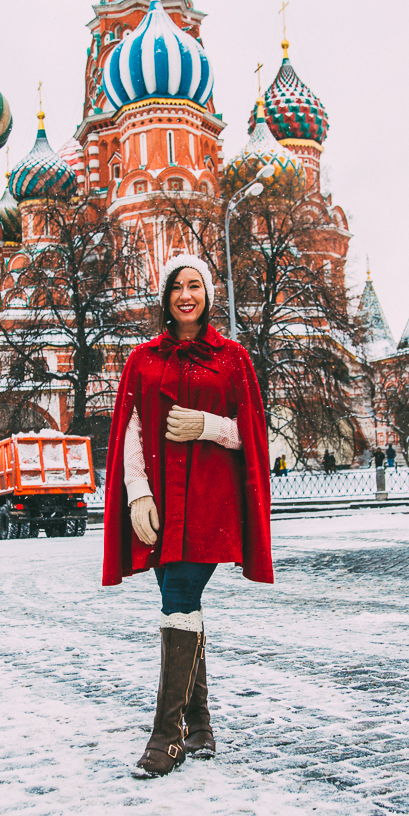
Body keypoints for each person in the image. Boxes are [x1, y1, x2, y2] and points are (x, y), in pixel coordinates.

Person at [103, 254, 273, 777]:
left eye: (194, 285)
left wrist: (208, 425)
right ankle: (199, 725)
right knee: (183, 602)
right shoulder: (143, 360)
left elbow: (253, 434)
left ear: (208, 295)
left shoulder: (233, 359)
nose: (186, 295)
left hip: (207, 505)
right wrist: (137, 493)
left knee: (179, 596)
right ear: (166, 297)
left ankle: (166, 736)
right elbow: (129, 430)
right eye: (177, 286)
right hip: (157, 505)